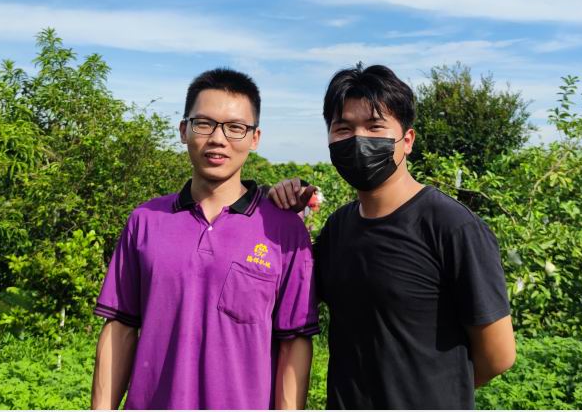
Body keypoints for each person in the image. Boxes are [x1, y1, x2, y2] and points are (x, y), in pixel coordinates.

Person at [269, 63, 515, 409]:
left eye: (375, 126)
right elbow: (287, 293)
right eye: (343, 128)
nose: (359, 139)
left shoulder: (451, 226)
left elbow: (498, 355)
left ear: (407, 140)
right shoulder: (338, 228)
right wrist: (282, 217)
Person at [91, 68, 319, 410]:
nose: (218, 138)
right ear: (184, 130)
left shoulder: (284, 231)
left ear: (255, 138)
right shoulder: (146, 220)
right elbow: (120, 326)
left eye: (235, 127)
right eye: (204, 124)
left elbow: (294, 341)